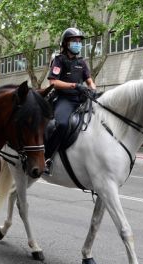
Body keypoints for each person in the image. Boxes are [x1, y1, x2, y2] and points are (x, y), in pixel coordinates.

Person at [45, 27, 96, 167]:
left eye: (79, 41)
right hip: (65, 99)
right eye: (74, 41)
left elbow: (89, 80)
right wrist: (74, 85)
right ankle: (46, 157)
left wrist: (93, 90)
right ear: (66, 43)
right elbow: (53, 82)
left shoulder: (82, 62)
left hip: (81, 99)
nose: (78, 43)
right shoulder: (59, 60)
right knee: (62, 124)